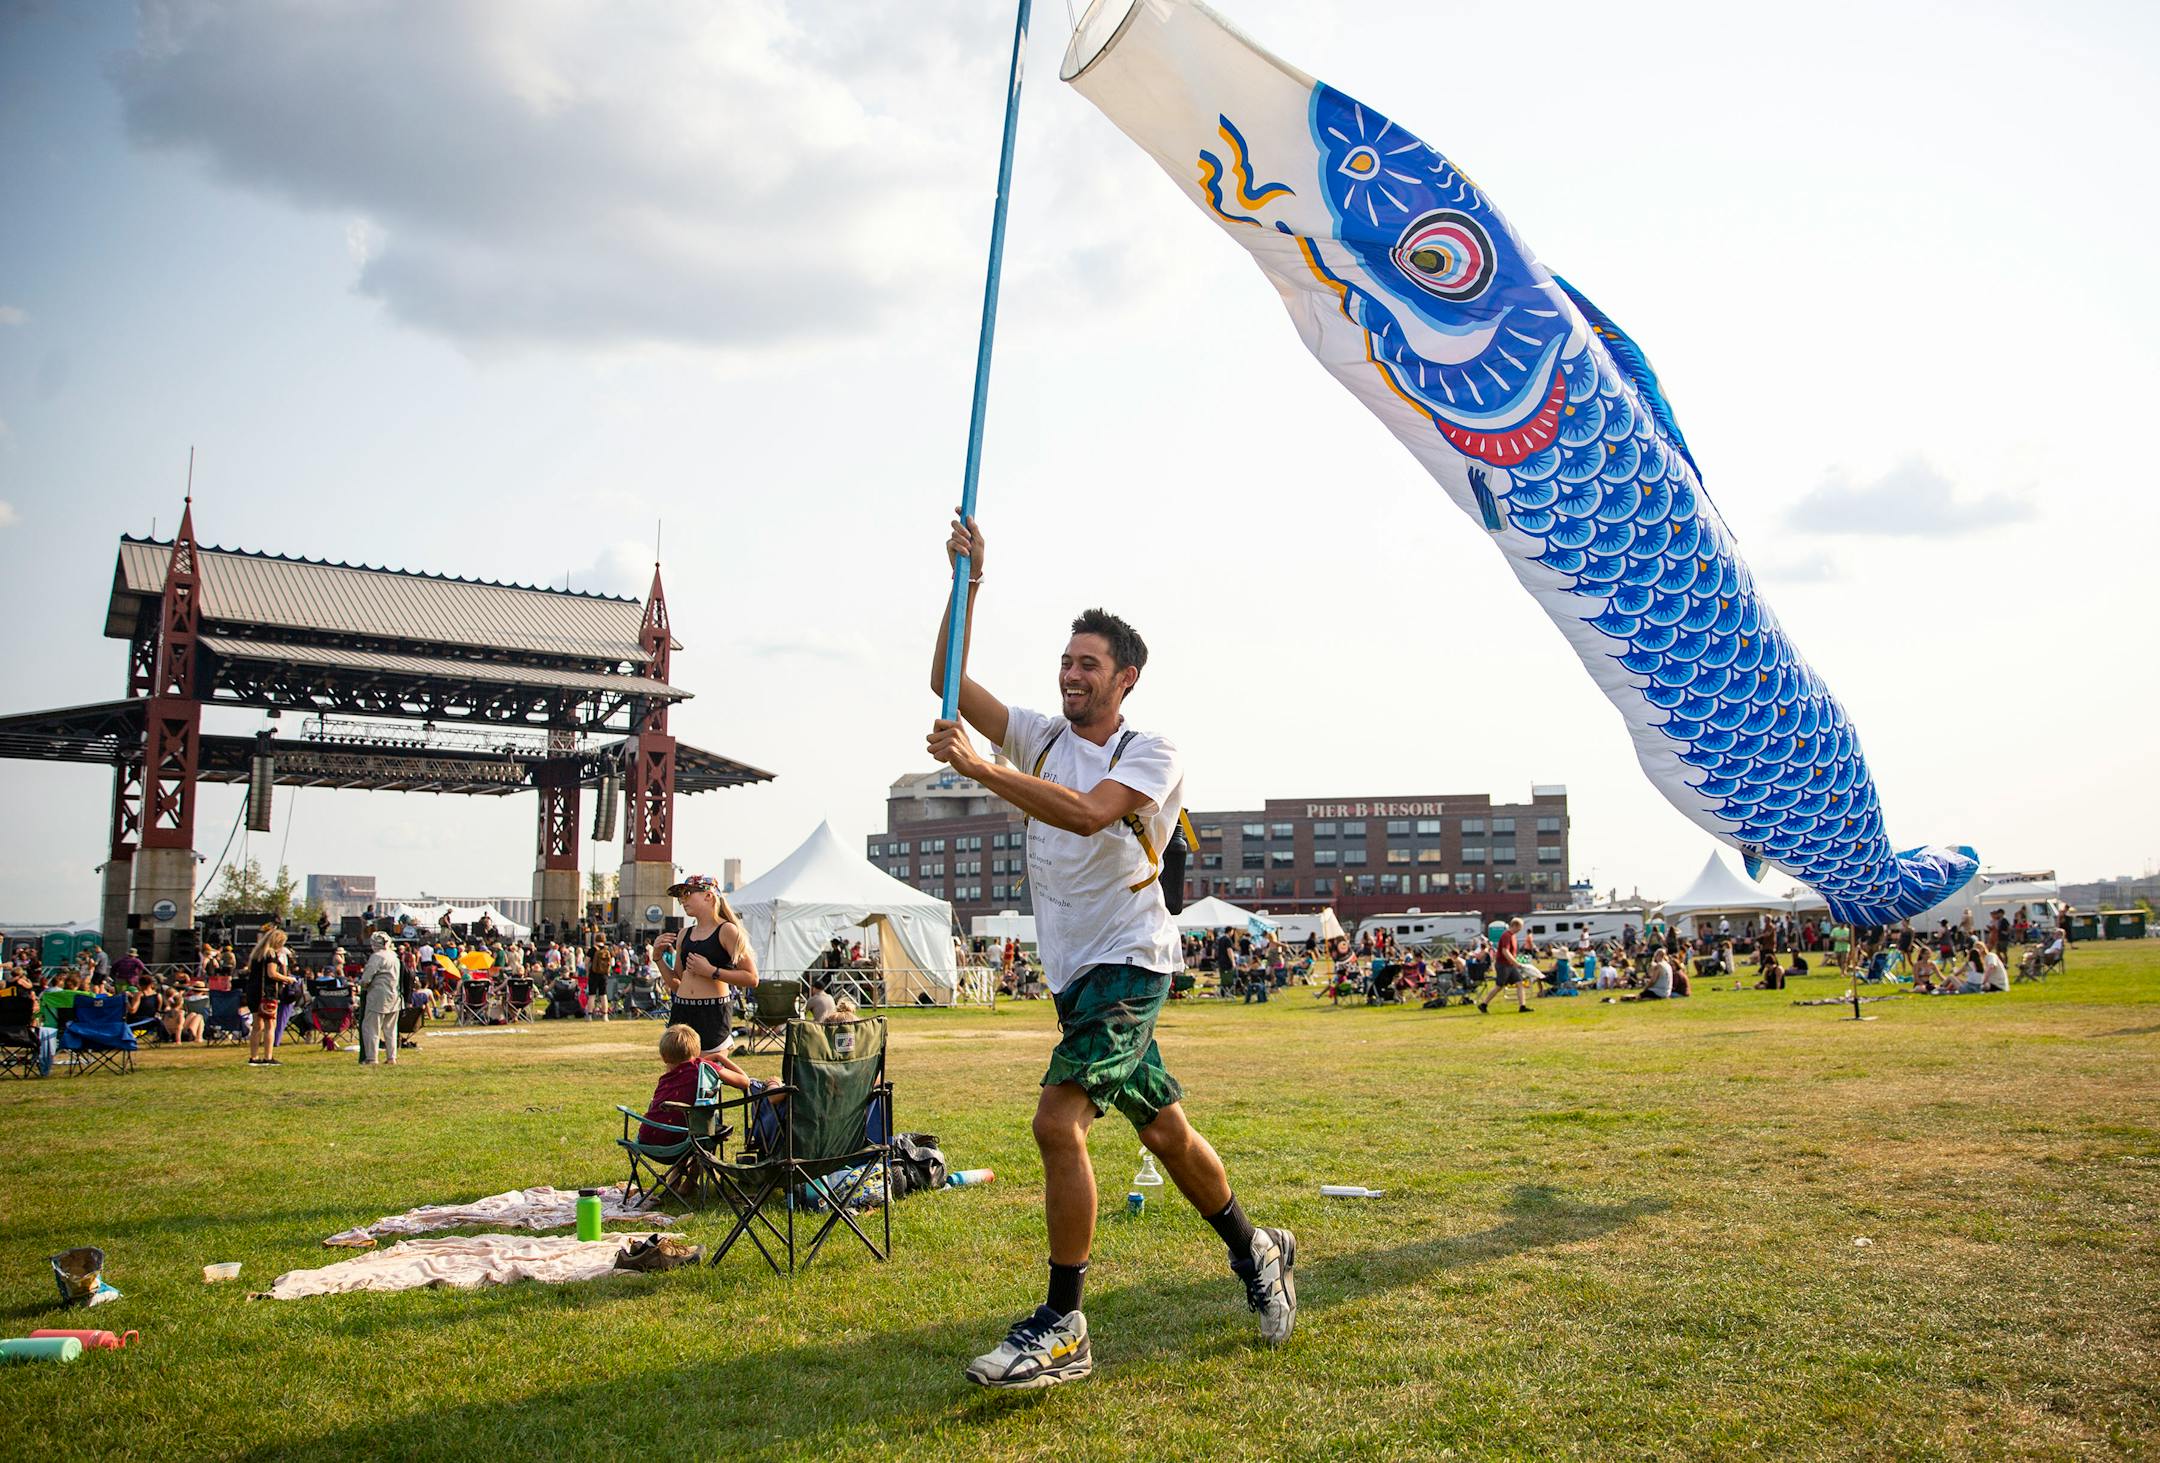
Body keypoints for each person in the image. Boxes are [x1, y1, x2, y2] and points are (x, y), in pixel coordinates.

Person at [926, 510, 1294, 1389]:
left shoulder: (1150, 751)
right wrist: (966, 584)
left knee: (1058, 1122)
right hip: (1074, 971)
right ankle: (1260, 1248)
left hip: (1130, 962)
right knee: (1165, 1132)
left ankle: (1063, 1323)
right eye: (1066, 660)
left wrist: (981, 770)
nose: (1070, 674)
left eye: (1088, 664)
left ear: (1125, 678)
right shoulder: (1042, 736)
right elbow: (945, 679)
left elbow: (1090, 814)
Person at [651, 874, 758, 1054]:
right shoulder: (684, 934)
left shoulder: (727, 930)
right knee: (678, 1076)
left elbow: (752, 978)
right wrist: (658, 958)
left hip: (712, 1011)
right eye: (681, 897)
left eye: (688, 893)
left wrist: (712, 971)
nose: (682, 900)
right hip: (682, 1010)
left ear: (708, 896)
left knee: (706, 1076)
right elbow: (677, 983)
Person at [243, 926, 295, 1066]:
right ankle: (268, 1056)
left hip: (253, 992)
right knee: (270, 1024)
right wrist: (287, 979)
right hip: (267, 993)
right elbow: (271, 973)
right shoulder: (271, 954)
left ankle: (253, 1057)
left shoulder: (257, 954)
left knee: (256, 1026)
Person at [357, 931, 401, 1066]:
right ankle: (391, 1057)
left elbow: (366, 979)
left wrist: (361, 983)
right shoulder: (394, 956)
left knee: (371, 1027)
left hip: (378, 996)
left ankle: (372, 1058)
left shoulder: (376, 957)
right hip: (394, 994)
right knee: (391, 1029)